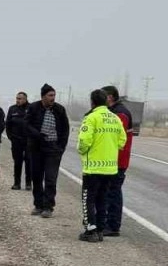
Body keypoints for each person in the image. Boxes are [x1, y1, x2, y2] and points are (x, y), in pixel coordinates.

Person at [77, 89, 126, 242]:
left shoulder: (91, 118)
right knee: (102, 199)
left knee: (88, 199)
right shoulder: (115, 118)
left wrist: (82, 150)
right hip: (110, 167)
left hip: (93, 167)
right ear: (106, 101)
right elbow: (122, 141)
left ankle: (90, 230)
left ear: (92, 102)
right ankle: (99, 229)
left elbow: (84, 141)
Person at [24, 84, 70, 217]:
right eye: (50, 95)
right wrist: (37, 135)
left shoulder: (59, 110)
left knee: (50, 178)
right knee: (37, 177)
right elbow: (26, 125)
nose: (53, 98)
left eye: (54, 95)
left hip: (53, 149)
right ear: (43, 97)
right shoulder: (33, 108)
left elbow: (65, 129)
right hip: (36, 148)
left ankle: (48, 207)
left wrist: (61, 147)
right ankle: (38, 205)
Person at [102, 85, 134, 236]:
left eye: (103, 96)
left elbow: (115, 138)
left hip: (118, 160)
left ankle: (113, 225)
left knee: (113, 192)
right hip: (113, 159)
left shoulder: (120, 114)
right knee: (110, 191)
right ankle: (109, 222)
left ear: (109, 97)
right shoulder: (114, 111)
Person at [5, 91, 32, 190]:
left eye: (20, 99)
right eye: (17, 98)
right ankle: (17, 183)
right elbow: (8, 124)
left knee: (29, 162)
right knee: (17, 162)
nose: (18, 100)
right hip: (16, 140)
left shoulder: (31, 108)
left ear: (25, 99)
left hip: (29, 140)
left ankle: (28, 183)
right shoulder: (12, 109)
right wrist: (10, 136)